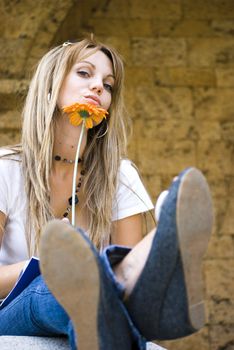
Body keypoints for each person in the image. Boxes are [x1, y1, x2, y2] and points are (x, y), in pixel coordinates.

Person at [0, 37, 213, 350]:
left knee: (119, 281)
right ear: (50, 84)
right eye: (85, 74)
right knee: (61, 282)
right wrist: (51, 263)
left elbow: (127, 286)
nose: (99, 87)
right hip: (14, 310)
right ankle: (162, 285)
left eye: (108, 84)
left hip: (95, 303)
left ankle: (162, 258)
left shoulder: (120, 176)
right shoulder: (6, 169)